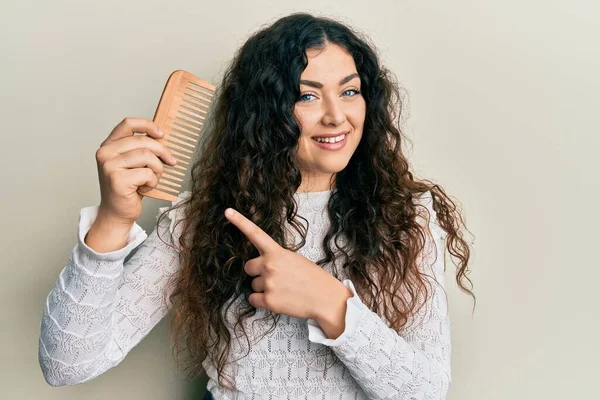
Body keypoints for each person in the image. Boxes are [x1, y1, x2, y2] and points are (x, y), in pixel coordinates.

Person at [38, 12, 474, 399]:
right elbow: (67, 364)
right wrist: (112, 223)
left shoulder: (407, 217)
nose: (336, 116)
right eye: (306, 96)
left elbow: (425, 391)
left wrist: (332, 305)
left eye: (349, 91)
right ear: (265, 111)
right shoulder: (203, 218)